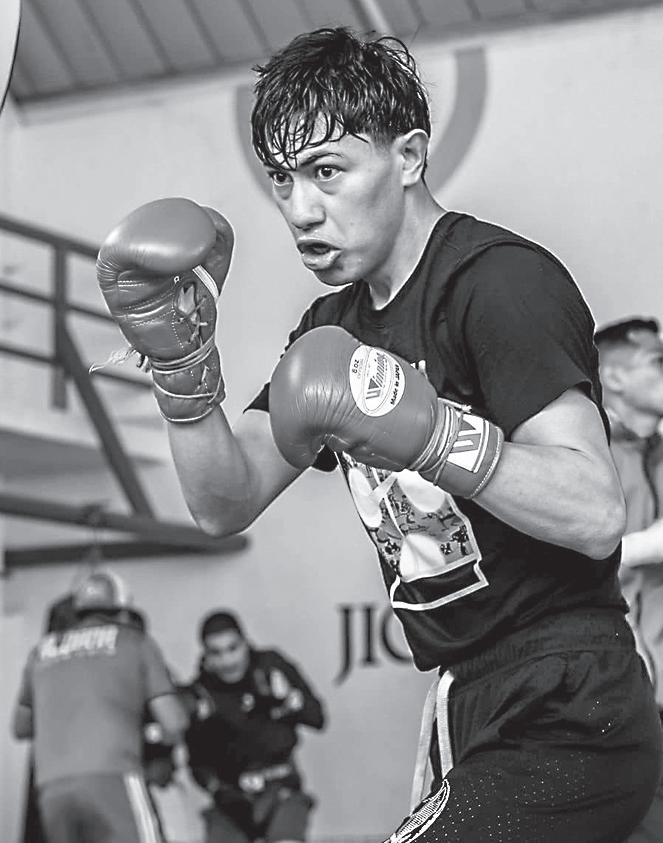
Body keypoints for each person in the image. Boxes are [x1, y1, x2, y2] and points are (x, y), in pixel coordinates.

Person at [95, 26, 662, 841]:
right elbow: (224, 501)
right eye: (282, 178)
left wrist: (432, 435)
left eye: (326, 171)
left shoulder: (497, 283)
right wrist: (182, 371)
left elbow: (593, 511)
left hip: (570, 696)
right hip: (465, 702)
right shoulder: (330, 328)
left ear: (409, 156)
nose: (300, 210)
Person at [12, 569, 189, 843]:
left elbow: (21, 727)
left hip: (53, 789)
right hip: (114, 776)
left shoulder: (41, 652)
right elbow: (174, 722)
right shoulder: (134, 642)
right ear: (123, 610)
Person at [595, 317, 663, 843]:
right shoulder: (588, 453)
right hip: (624, 692)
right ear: (614, 378)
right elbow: (563, 562)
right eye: (657, 361)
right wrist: (643, 546)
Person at [182, 610, 324, 843]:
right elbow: (196, 763)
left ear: (246, 643)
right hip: (231, 797)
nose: (227, 660)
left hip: (280, 787)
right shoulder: (201, 694)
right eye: (216, 652)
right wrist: (218, 789)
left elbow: (317, 718)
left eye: (233, 648)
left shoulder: (270, 667)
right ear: (205, 656)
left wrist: (289, 700)